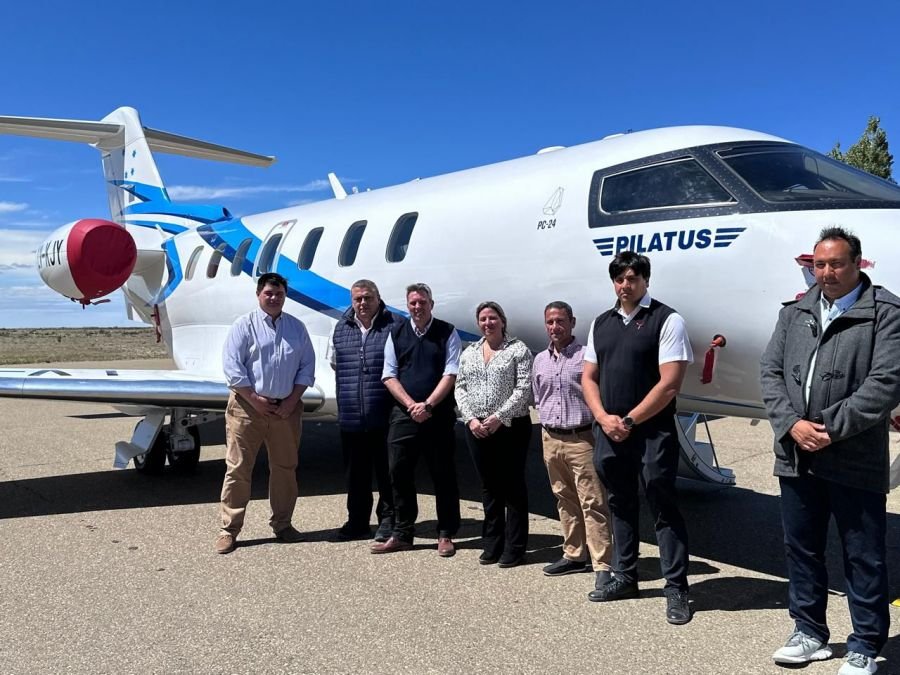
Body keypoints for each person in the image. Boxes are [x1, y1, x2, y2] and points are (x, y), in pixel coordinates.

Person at [761, 227, 900, 675]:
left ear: (858, 263)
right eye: (820, 264)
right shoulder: (795, 312)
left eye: (837, 264)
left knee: (863, 554)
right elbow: (770, 372)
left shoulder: (885, 314)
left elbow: (886, 383)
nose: (827, 273)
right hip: (797, 454)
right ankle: (809, 632)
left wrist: (829, 428)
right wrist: (791, 424)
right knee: (801, 549)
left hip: (854, 457)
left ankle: (865, 644)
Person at [582, 251, 694, 625]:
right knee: (620, 503)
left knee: (663, 506)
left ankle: (676, 587)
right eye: (619, 279)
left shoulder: (667, 319)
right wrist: (603, 418)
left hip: (651, 432)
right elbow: (588, 378)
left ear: (646, 280)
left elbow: (670, 383)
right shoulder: (601, 323)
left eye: (632, 278)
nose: (625, 285)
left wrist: (628, 421)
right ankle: (625, 577)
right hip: (610, 431)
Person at [216, 272, 316, 554]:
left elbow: (307, 367)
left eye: (279, 294)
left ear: (285, 296)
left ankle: (283, 525)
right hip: (247, 408)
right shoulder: (243, 325)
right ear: (259, 295)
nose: (274, 298)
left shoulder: (297, 328)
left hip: (286, 410)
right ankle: (229, 529)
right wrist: (254, 400)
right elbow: (233, 367)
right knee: (238, 469)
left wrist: (291, 402)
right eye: (269, 293)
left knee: (285, 469)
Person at [371, 283, 462, 557]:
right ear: (407, 305)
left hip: (437, 414)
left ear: (431, 304)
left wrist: (429, 404)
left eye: (422, 302)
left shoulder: (447, 332)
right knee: (398, 473)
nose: (418, 307)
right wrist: (412, 405)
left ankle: (445, 533)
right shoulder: (396, 333)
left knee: (443, 475)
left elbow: (451, 372)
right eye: (413, 303)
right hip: (404, 414)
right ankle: (402, 533)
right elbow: (389, 375)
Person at [532, 301, 614, 589]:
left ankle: (602, 564)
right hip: (550, 438)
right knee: (563, 498)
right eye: (550, 322)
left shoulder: (586, 357)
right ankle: (574, 554)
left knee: (593, 502)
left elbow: (599, 394)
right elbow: (538, 397)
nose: (555, 327)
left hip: (581, 439)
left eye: (560, 321)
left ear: (572, 322)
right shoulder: (540, 359)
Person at [455, 301, 534, 567]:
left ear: (502, 320)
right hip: (477, 429)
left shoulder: (518, 350)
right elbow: (460, 387)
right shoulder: (470, 352)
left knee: (513, 486)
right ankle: (492, 542)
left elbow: (523, 388)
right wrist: (470, 419)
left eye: (492, 318)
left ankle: (515, 547)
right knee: (489, 486)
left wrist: (500, 416)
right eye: (483, 319)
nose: (488, 323)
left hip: (511, 427)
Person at [330, 279, 397, 542]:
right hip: (352, 415)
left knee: (387, 473)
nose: (363, 303)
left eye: (368, 298)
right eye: (358, 299)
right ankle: (357, 522)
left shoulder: (395, 326)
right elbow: (335, 364)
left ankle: (388, 521)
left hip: (384, 414)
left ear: (378, 298)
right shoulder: (340, 328)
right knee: (356, 475)